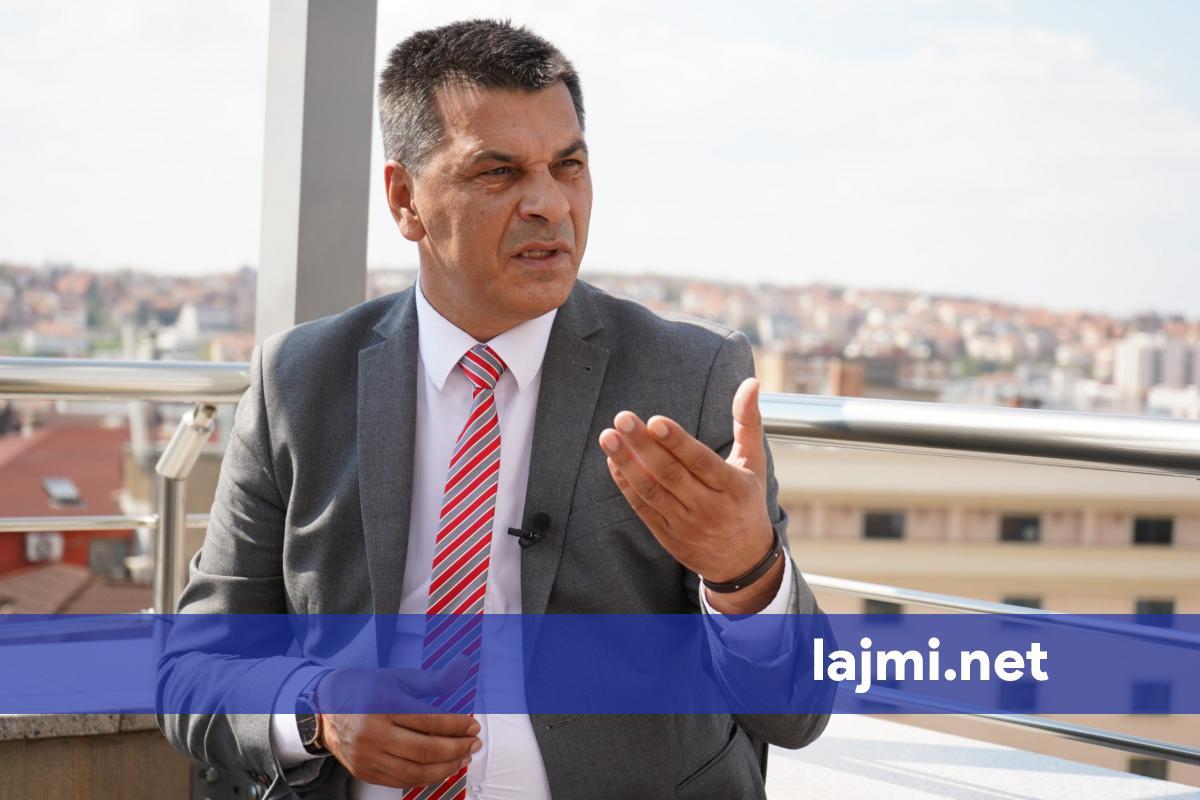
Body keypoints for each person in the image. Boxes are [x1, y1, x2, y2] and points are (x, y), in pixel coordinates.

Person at [158, 19, 831, 800]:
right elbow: (192, 672)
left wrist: (748, 574)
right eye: (498, 172)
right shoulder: (299, 382)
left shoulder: (691, 376)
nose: (549, 203)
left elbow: (796, 713)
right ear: (406, 199)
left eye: (568, 165)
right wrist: (318, 710)